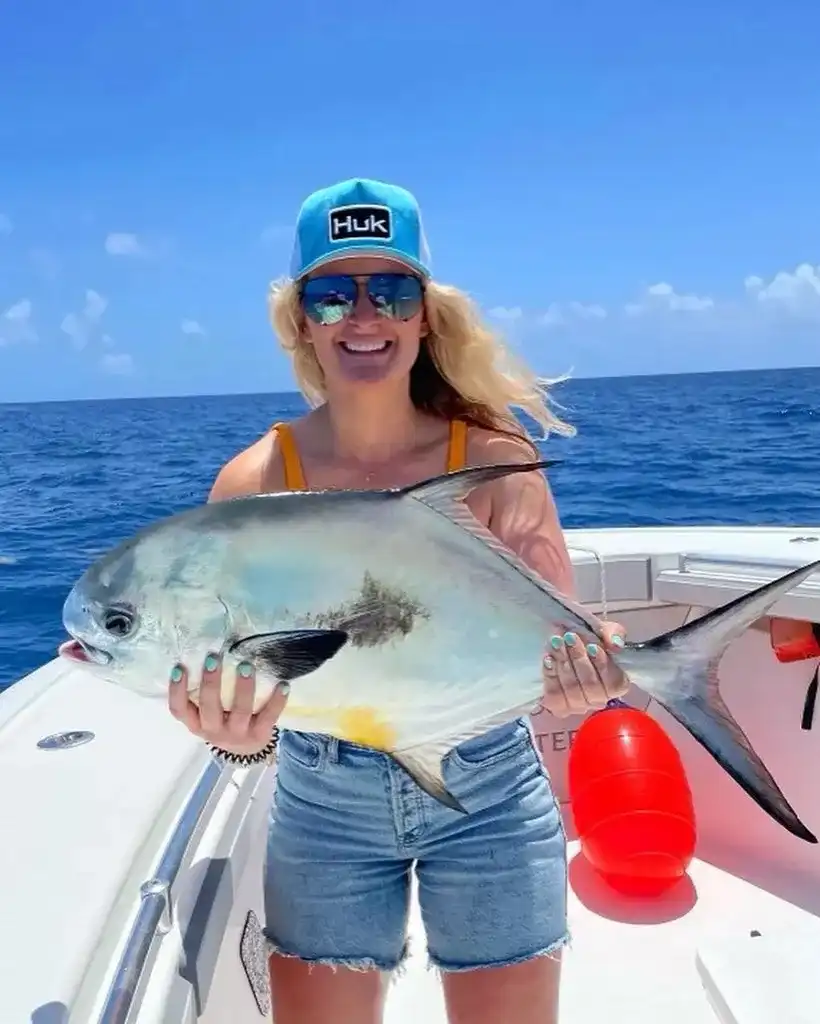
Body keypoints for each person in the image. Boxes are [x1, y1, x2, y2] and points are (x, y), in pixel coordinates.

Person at [168, 177, 629, 1024]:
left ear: (424, 313)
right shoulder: (253, 483)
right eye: (333, 294)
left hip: (489, 789)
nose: (364, 316)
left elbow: (554, 628)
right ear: (301, 319)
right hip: (323, 804)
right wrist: (235, 739)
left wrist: (588, 669)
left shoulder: (491, 457)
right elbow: (242, 678)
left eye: (390, 290)